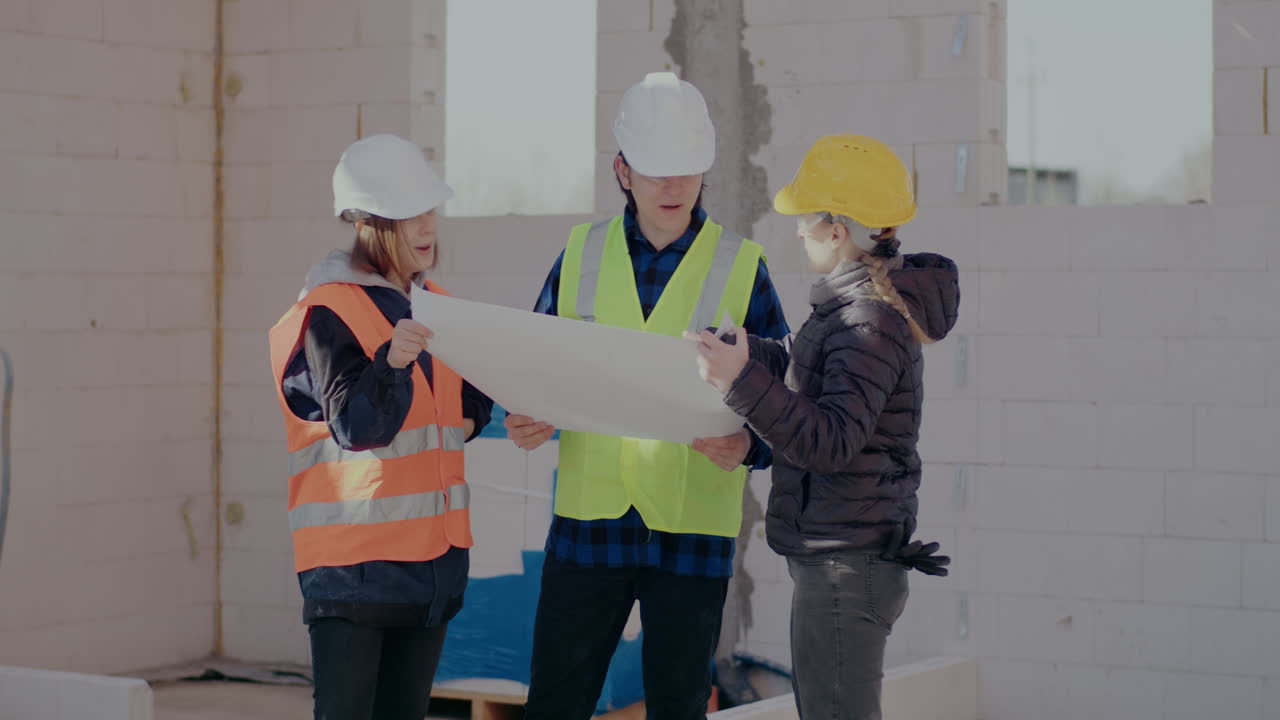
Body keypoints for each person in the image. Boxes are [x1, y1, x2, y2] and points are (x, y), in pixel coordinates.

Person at [504, 72, 791, 720]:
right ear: (623, 170)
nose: (672, 187)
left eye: (686, 171)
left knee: (678, 708)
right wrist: (526, 417)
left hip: (692, 531)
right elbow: (533, 370)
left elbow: (787, 396)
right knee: (554, 705)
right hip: (588, 527)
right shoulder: (580, 255)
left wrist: (750, 445)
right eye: (657, 171)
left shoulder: (742, 265)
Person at [690, 134, 958, 720]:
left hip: (846, 569)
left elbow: (831, 440)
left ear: (837, 231)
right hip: (844, 561)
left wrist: (740, 381)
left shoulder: (868, 321)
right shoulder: (853, 309)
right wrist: (746, 354)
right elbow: (807, 373)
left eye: (804, 218)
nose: (796, 231)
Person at [267, 133, 493, 720]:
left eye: (429, 210)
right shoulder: (329, 311)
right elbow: (357, 427)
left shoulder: (434, 300)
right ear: (366, 223)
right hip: (354, 577)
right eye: (407, 215)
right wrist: (391, 364)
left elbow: (464, 405)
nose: (426, 228)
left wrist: (502, 402)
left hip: (430, 572)